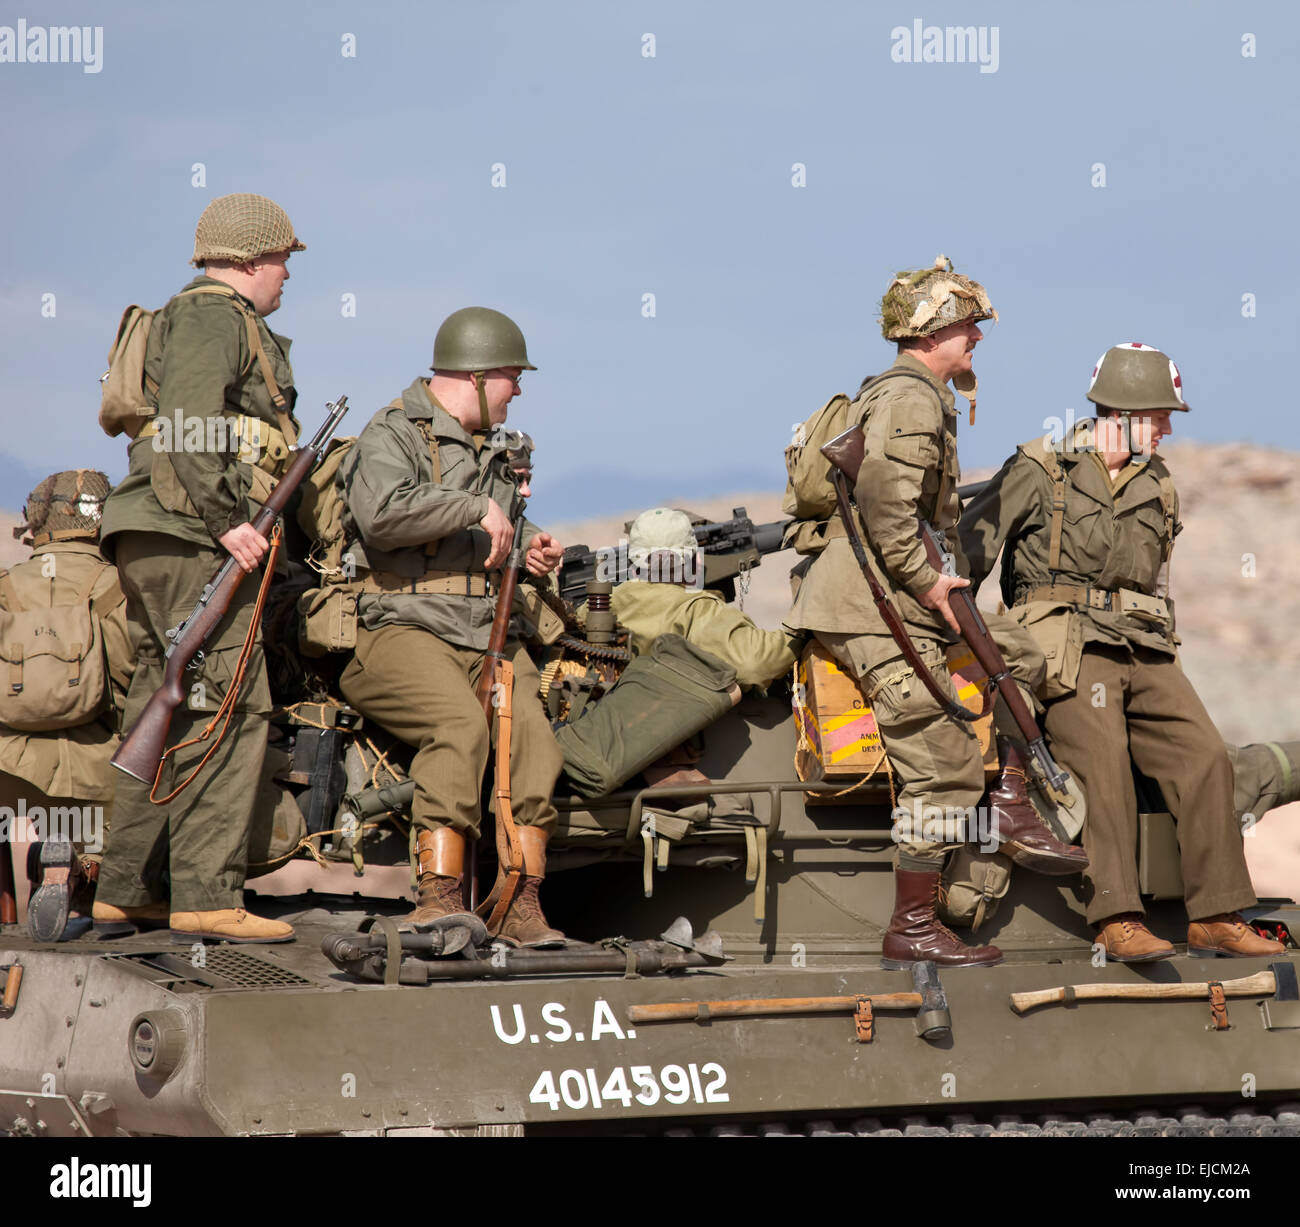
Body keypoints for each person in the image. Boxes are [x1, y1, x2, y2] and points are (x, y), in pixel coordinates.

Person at [783, 257, 1087, 969]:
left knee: (1021, 653)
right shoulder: (912, 398)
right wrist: (930, 584)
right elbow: (889, 511)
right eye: (964, 323)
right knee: (944, 767)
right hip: (871, 606)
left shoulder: (918, 394)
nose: (976, 334)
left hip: (891, 592)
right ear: (928, 331)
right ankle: (914, 924)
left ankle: (1010, 799)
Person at [961, 342, 1285, 961]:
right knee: (1101, 756)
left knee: (1205, 756)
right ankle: (1116, 917)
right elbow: (965, 563)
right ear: (1127, 413)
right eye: (1161, 416)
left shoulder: (1159, 485)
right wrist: (985, 653)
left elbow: (1156, 584)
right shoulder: (1040, 466)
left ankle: (1215, 913)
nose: (1167, 430)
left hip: (1144, 645)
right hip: (1065, 644)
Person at [92, 193, 305, 944]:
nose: (286, 275)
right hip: (192, 534)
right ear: (249, 260)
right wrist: (230, 522)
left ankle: (126, 888)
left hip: (155, 533)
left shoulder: (201, 314)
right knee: (230, 704)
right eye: (282, 259)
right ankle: (207, 897)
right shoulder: (216, 314)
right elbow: (187, 419)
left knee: (162, 698)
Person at [337, 307, 568, 947]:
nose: (517, 390)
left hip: (486, 630)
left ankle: (521, 904)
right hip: (400, 628)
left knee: (537, 750)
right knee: (459, 728)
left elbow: (499, 532)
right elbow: (381, 516)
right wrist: (475, 505)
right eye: (512, 377)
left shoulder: (493, 449)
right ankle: (437, 901)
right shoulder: (390, 434)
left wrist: (533, 550)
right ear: (476, 374)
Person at [0, 472, 132, 940]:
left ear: (35, 523)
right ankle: (80, 869)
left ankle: (53, 863)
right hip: (98, 781)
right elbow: (134, 686)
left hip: (10, 781)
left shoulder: (5, 586)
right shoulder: (119, 586)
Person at [613, 507, 801, 688]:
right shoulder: (695, 609)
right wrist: (801, 633)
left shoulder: (598, 605)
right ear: (697, 559)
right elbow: (754, 665)